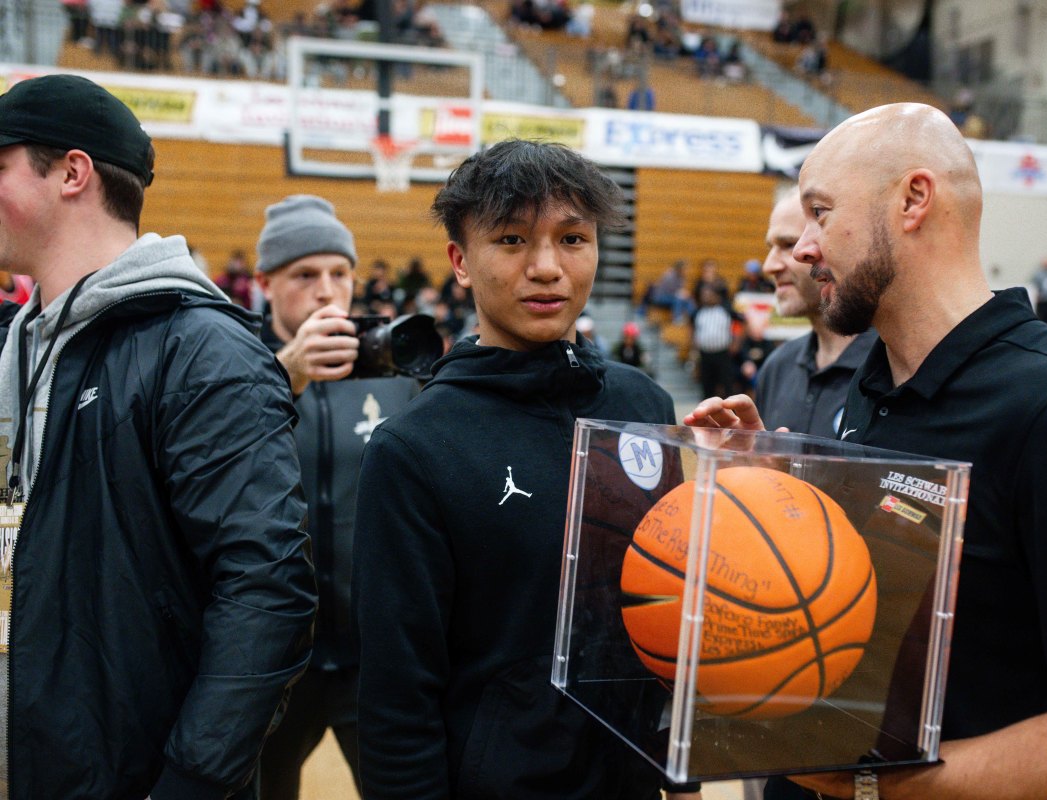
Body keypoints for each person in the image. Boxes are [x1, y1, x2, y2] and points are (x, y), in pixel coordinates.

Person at [686, 103, 1047, 800]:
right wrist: (775, 505)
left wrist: (873, 782)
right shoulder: (865, 387)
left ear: (913, 200)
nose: (801, 248)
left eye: (820, 213)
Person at [0, 74, 317, 799]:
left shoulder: (202, 349)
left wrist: (191, 783)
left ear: (71, 173)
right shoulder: (14, 346)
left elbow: (266, 589)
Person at [354, 139, 695, 799]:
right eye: (511, 241)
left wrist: (674, 763)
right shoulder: (414, 450)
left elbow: (662, 603)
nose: (547, 267)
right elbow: (398, 699)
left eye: (572, 239)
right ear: (461, 259)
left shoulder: (643, 405)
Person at [254, 195, 420, 800]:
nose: (327, 292)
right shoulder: (235, 364)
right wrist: (284, 373)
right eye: (305, 275)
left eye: (339, 274)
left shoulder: (395, 371)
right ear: (266, 282)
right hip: (270, 663)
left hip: (371, 659)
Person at [755, 187, 875, 436]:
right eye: (771, 247)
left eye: (788, 245)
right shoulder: (778, 367)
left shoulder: (890, 368)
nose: (769, 266)